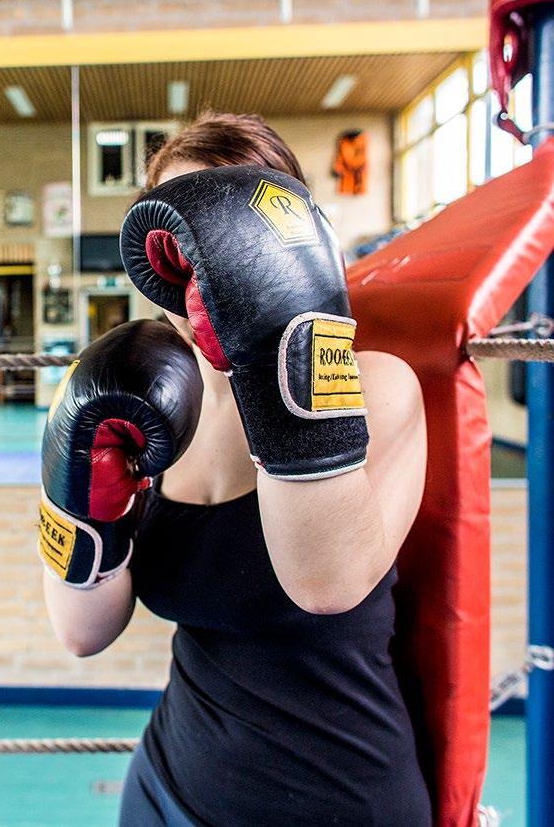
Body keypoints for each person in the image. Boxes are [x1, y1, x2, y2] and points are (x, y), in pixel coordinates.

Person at [39, 111, 431, 826]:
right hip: (167, 786)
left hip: (335, 802)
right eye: (179, 239)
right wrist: (79, 494)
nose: (203, 264)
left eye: (224, 234)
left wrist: (273, 333)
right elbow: (81, 632)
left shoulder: (379, 387)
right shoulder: (145, 397)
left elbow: (324, 584)